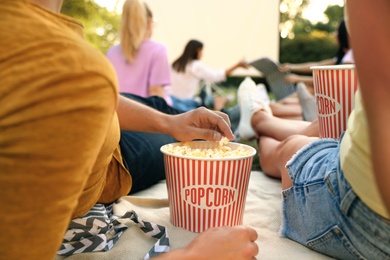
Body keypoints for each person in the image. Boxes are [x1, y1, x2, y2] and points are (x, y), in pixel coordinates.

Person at [0, 1, 259, 259]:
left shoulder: (60, 53)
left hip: (101, 124)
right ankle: (250, 117)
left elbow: (97, 95)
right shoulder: (75, 68)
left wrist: (168, 123)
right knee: (175, 128)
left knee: (165, 111)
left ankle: (247, 116)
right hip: (113, 162)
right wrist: (195, 255)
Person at [237, 0, 390, 258]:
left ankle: (259, 121)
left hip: (369, 214)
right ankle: (264, 117)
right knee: (320, 130)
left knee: (294, 147)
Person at [106, 0, 173, 106]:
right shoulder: (158, 50)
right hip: (145, 117)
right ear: (149, 23)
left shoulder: (111, 53)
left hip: (118, 116)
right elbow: (156, 94)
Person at [170, 39, 248, 112]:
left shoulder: (174, 65)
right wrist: (237, 66)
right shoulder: (196, 65)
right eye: (201, 51)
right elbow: (216, 76)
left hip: (170, 101)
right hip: (186, 104)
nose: (202, 54)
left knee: (204, 99)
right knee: (205, 100)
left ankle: (221, 100)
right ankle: (222, 100)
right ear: (197, 51)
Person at [279, 18, 353, 89]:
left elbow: (332, 82)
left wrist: (298, 79)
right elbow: (317, 65)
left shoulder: (350, 57)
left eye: (337, 31)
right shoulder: (343, 56)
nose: (334, 34)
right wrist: (290, 67)